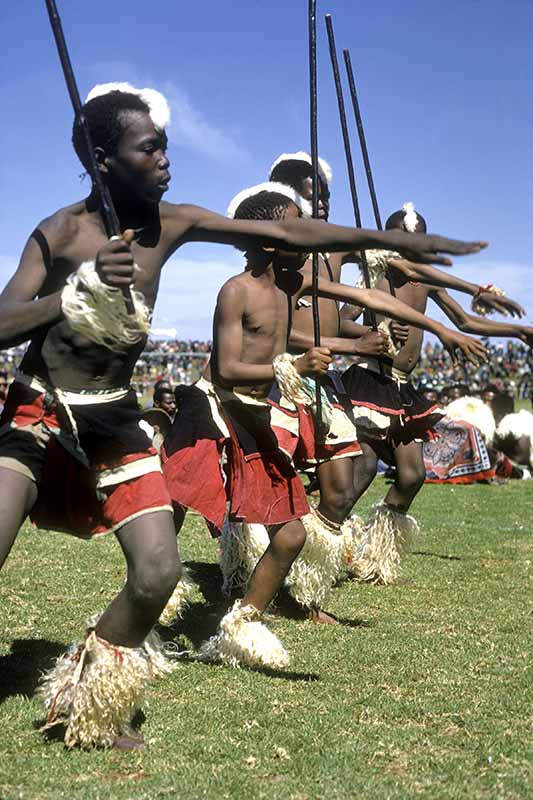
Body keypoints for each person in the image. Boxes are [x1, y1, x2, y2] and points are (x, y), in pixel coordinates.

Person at [0, 80, 491, 748]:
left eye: (166, 144)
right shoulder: (61, 232)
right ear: (102, 160)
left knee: (156, 576)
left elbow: (285, 229)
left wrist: (383, 238)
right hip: (41, 412)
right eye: (149, 148)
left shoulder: (171, 223)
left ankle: (84, 699)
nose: (166, 158)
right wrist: (76, 292)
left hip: (113, 418)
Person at [163, 182, 489, 657]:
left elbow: (379, 301)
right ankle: (154, 592)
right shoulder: (236, 290)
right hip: (219, 408)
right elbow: (229, 367)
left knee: (293, 530)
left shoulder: (294, 283)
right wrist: (299, 365)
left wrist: (439, 325)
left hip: (264, 409)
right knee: (178, 500)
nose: (312, 238)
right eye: (298, 227)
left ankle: (244, 623)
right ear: (272, 239)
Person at [339, 204, 531, 584]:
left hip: (402, 388)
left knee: (412, 475)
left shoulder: (426, 280)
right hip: (369, 381)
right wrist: (371, 336)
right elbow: (340, 321)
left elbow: (464, 321)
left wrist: (517, 332)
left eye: (418, 240)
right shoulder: (374, 276)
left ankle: (377, 559)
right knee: (359, 474)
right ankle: (317, 551)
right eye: (402, 238)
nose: (410, 246)